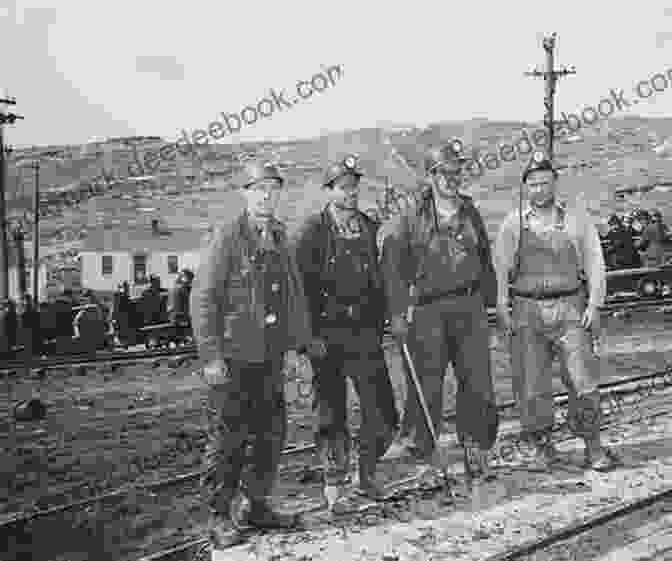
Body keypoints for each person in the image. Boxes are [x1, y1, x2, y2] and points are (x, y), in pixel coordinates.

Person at [190, 159, 315, 548]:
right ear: (245, 194)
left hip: (269, 359)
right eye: (259, 189)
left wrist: (297, 348)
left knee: (269, 437)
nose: (266, 196)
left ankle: (255, 506)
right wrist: (210, 356)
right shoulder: (227, 237)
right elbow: (204, 298)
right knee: (227, 440)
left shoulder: (278, 236)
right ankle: (219, 515)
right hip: (232, 360)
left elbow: (294, 296)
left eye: (273, 189)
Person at [493, 150, 620, 472]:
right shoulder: (513, 224)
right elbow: (500, 269)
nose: (540, 190)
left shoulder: (576, 218)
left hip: (569, 308)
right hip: (526, 310)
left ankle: (593, 446)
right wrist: (502, 307)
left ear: (555, 184)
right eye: (533, 185)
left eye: (545, 183)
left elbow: (594, 261)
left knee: (582, 380)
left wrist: (595, 304)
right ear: (525, 188)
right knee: (531, 384)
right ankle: (542, 447)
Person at [381, 141, 500, 480]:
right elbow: (392, 266)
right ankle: (426, 459)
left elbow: (485, 260)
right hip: (428, 311)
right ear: (431, 176)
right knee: (426, 386)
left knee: (477, 382)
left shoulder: (469, 210)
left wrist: (493, 306)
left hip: (470, 307)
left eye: (456, 171)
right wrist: (398, 313)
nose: (452, 177)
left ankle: (476, 452)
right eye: (444, 172)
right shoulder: (411, 215)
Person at [293, 154, 399, 504]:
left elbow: (380, 281)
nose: (350, 193)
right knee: (330, 412)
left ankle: (368, 473)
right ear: (329, 191)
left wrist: (388, 316)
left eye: (354, 187)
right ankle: (335, 485)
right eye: (343, 187)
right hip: (327, 336)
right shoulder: (312, 231)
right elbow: (300, 288)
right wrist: (307, 338)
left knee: (382, 410)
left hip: (364, 333)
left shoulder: (368, 227)